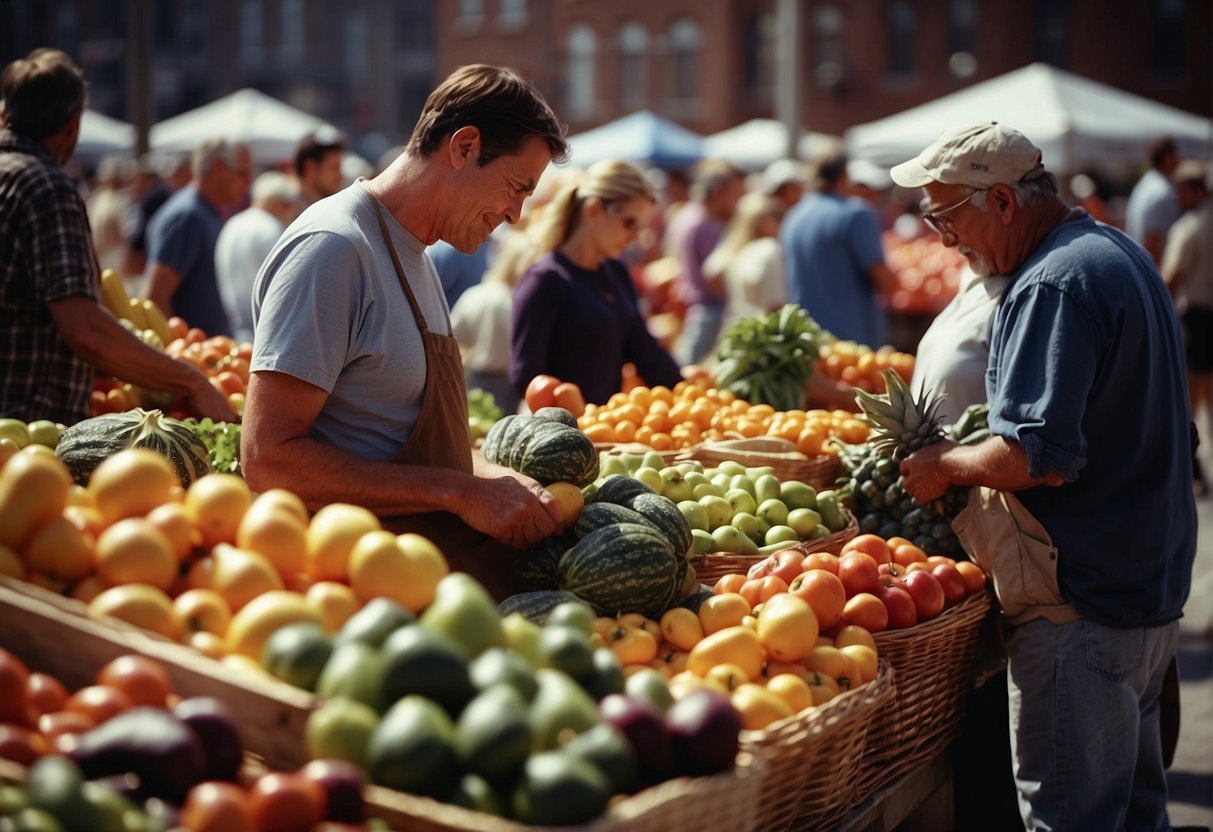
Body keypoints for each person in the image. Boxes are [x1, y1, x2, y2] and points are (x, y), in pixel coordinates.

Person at [894, 122, 1198, 831]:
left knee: (1073, 819)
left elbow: (1033, 457)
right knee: (1137, 817)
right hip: (1141, 590)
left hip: (1081, 608)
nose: (942, 239)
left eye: (947, 216)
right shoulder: (1116, 251)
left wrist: (942, 465)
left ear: (1001, 201)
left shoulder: (1051, 284)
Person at [241, 64, 569, 600]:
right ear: (464, 147)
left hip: (423, 582)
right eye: (516, 187)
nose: (516, 214)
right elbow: (268, 458)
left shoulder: (416, 252)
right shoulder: (335, 248)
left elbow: (391, 430)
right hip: (358, 595)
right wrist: (457, 491)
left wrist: (489, 476)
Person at [0, 48, 234, 425]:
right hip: (27, 428)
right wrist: (189, 380)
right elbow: (84, 330)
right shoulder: (45, 188)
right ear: (74, 124)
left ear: (2, 115)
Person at [509, 159, 682, 406]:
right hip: (558, 434)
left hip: (608, 430)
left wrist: (687, 392)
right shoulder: (546, 279)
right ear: (594, 210)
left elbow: (644, 349)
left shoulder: (615, 271)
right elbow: (525, 375)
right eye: (629, 223)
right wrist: (569, 414)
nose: (635, 237)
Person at [782, 149, 896, 347]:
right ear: (843, 176)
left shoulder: (793, 216)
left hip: (807, 340)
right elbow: (884, 281)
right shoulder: (855, 213)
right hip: (852, 343)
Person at [144, 137, 250, 337]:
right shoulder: (188, 216)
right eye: (242, 172)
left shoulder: (201, 211)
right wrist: (178, 355)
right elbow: (155, 296)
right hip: (193, 358)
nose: (247, 182)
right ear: (218, 167)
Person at [1160, 159, 1213, 496]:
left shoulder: (1189, 227)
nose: (1176, 197)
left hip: (1195, 319)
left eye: (1181, 190)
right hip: (1206, 316)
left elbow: (1171, 278)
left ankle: (1192, 469)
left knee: (1190, 400)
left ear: (1195, 190)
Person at [668, 158, 744, 366]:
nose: (739, 201)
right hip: (710, 311)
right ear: (719, 193)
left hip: (696, 308)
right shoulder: (705, 224)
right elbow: (714, 275)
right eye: (736, 194)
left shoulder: (685, 215)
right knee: (690, 371)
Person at [214, 171, 304, 344]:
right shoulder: (271, 229)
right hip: (268, 337)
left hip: (236, 333)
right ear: (280, 204)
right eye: (290, 206)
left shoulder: (232, 224)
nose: (293, 213)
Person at [704, 189, 787, 331]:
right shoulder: (769, 250)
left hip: (738, 329)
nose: (782, 221)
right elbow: (775, 306)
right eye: (777, 216)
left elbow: (710, 271)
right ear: (762, 220)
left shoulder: (736, 252)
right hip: (764, 334)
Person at [1125, 136, 1181, 266]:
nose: (1180, 160)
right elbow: (1153, 240)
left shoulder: (1143, 185)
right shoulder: (1163, 192)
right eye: (1176, 156)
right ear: (1168, 158)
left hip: (1138, 267)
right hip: (1150, 272)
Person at [293, 126, 346, 205]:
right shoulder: (283, 212)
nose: (341, 177)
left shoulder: (333, 208)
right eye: (334, 168)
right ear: (310, 167)